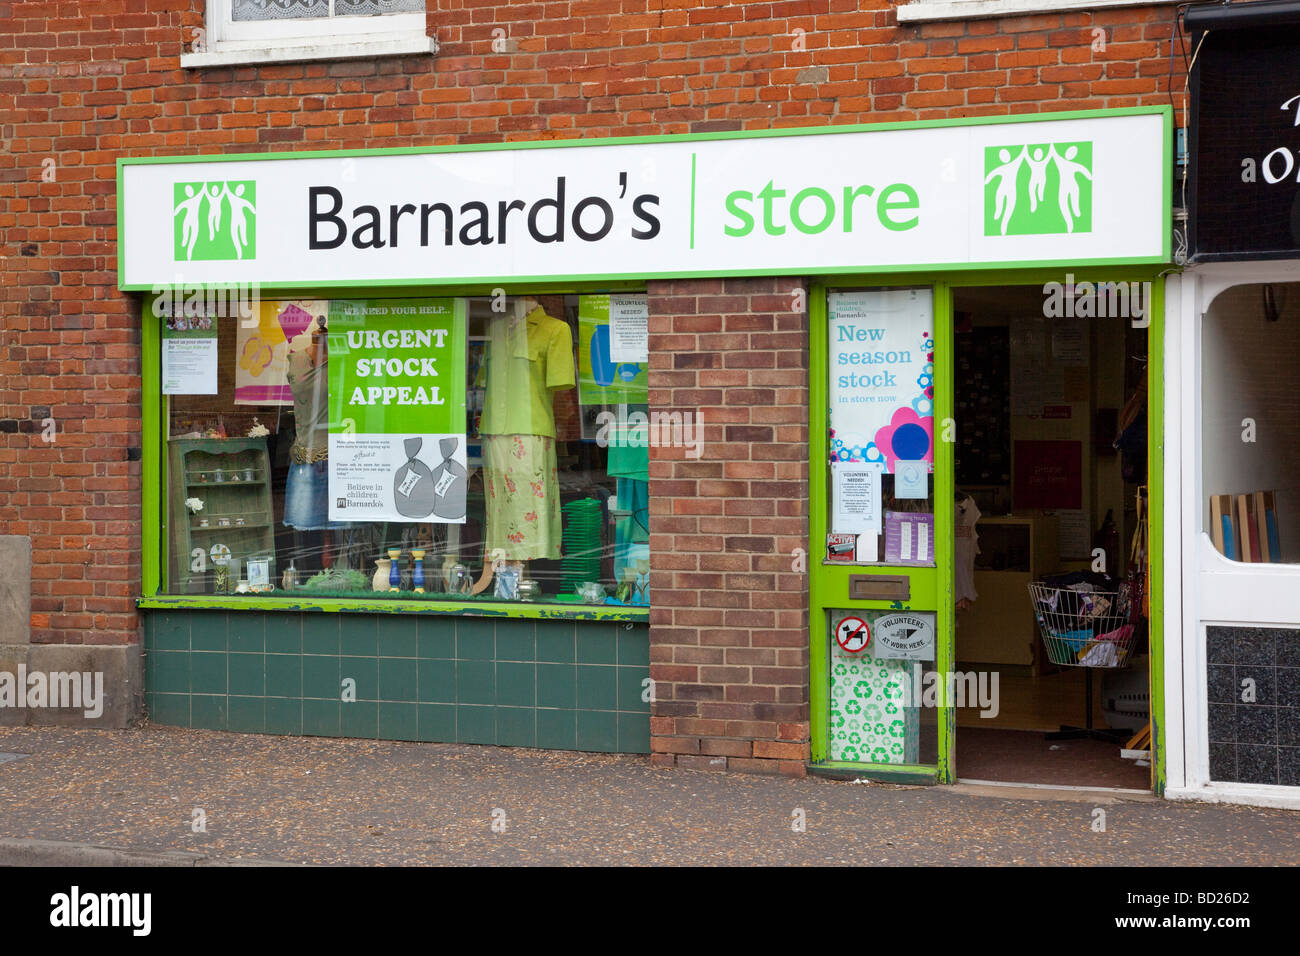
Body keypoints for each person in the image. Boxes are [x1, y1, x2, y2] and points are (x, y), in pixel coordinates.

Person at [984, 146, 1026, 236]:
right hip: (1001, 190)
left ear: (1009, 156)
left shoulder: (1014, 164)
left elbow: (1021, 156)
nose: (1005, 158)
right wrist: (987, 180)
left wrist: (1025, 149)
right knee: (999, 206)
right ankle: (998, 213)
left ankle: (1004, 225)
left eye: (1005, 155)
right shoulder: (1003, 168)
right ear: (1001, 159)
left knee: (1009, 209)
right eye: (1003, 156)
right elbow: (992, 174)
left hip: (1012, 192)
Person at [173, 184, 205, 260]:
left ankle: (189, 252)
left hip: (195, 223)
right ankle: (185, 243)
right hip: (187, 221)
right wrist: (175, 212)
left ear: (193, 191)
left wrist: (204, 186)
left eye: (190, 190)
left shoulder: (197, 199)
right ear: (187, 193)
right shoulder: (186, 202)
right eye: (188, 191)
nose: (189, 193)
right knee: (185, 236)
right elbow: (178, 209)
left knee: (193, 238)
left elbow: (202, 191)